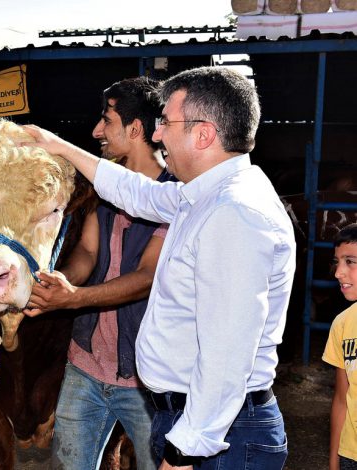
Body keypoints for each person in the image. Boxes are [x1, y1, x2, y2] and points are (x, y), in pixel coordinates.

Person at [24, 66, 294, 469]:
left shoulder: (235, 213)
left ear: (203, 134)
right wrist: (59, 147)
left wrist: (186, 449)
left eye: (166, 122)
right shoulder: (204, 196)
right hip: (195, 420)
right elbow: (138, 193)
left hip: (220, 436)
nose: (156, 134)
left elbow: (227, 349)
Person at [24, 77, 172, 470]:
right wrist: (55, 284)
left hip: (147, 380)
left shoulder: (175, 195)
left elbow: (145, 277)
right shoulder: (106, 187)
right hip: (86, 366)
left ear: (135, 129)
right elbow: (88, 252)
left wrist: (72, 298)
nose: (96, 131)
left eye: (106, 120)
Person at [324, 223, 357, 470]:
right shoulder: (343, 324)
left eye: (350, 261)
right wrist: (334, 461)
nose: (338, 272)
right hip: (351, 453)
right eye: (337, 262)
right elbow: (341, 399)